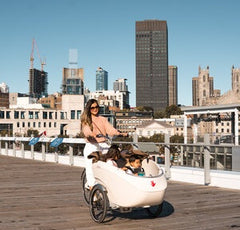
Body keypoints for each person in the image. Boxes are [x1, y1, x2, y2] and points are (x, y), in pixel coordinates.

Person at [81, 99, 128, 189]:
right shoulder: (86, 120)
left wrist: (119, 133)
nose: (95, 109)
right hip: (92, 145)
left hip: (103, 144)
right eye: (92, 108)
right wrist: (91, 135)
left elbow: (110, 129)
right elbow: (86, 131)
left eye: (97, 107)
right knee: (91, 166)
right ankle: (91, 186)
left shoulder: (103, 119)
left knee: (110, 163)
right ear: (88, 109)